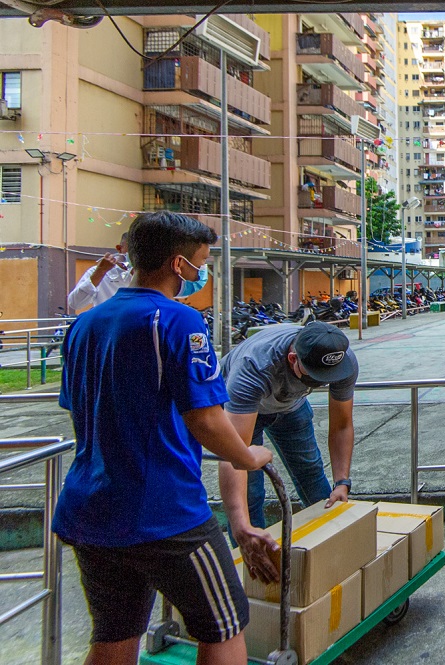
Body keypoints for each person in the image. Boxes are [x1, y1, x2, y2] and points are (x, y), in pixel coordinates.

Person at [54, 212, 273, 665]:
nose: (202, 273)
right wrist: (248, 457)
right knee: (227, 623)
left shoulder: (84, 326)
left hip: (89, 509)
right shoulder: (178, 322)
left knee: (115, 631)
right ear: (178, 264)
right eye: (201, 263)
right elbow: (209, 422)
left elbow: (81, 409)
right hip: (163, 513)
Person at [217, 320, 359, 579]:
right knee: (250, 493)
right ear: (293, 358)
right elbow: (232, 454)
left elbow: (341, 425)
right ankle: (252, 570)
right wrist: (239, 525)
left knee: (312, 474)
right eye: (316, 378)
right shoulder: (254, 367)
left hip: (290, 407)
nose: (323, 383)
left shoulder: (341, 358)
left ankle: (332, 558)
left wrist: (342, 482)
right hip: (242, 411)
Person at [67, 231, 133, 312]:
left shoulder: (149, 274)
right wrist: (100, 272)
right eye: (132, 249)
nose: (137, 255)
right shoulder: (99, 272)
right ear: (119, 248)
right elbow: (74, 303)